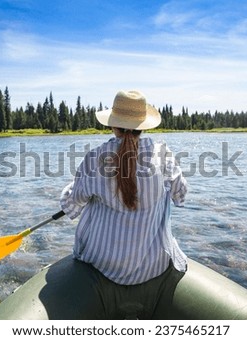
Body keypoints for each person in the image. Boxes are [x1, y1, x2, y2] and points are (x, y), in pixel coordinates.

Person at [58, 90, 188, 319]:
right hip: (154, 267)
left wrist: (75, 188)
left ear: (113, 126)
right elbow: (180, 196)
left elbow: (73, 205)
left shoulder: (94, 159)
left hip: (102, 267)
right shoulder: (164, 156)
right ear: (144, 126)